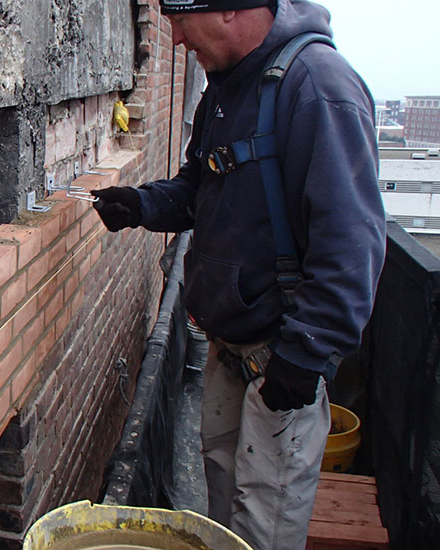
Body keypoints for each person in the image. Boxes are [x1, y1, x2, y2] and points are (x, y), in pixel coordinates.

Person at [90, 1, 386, 549]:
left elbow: (352, 244)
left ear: (226, 11)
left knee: (262, 533)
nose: (176, 40)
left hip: (281, 364)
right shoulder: (224, 89)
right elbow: (200, 189)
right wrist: (141, 203)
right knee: (223, 520)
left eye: (179, 22)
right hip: (230, 356)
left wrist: (305, 357)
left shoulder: (317, 87)